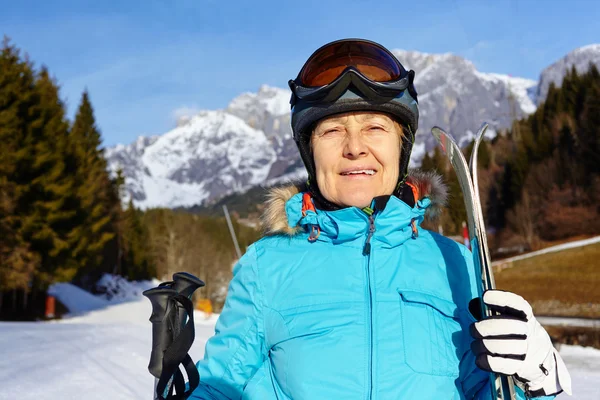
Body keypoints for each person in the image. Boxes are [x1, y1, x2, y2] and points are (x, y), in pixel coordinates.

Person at [189, 39, 571, 399]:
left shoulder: (455, 264)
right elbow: (221, 386)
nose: (355, 148)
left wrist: (534, 379)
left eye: (374, 127)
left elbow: (485, 392)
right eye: (333, 130)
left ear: (401, 146)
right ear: (310, 153)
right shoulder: (265, 266)